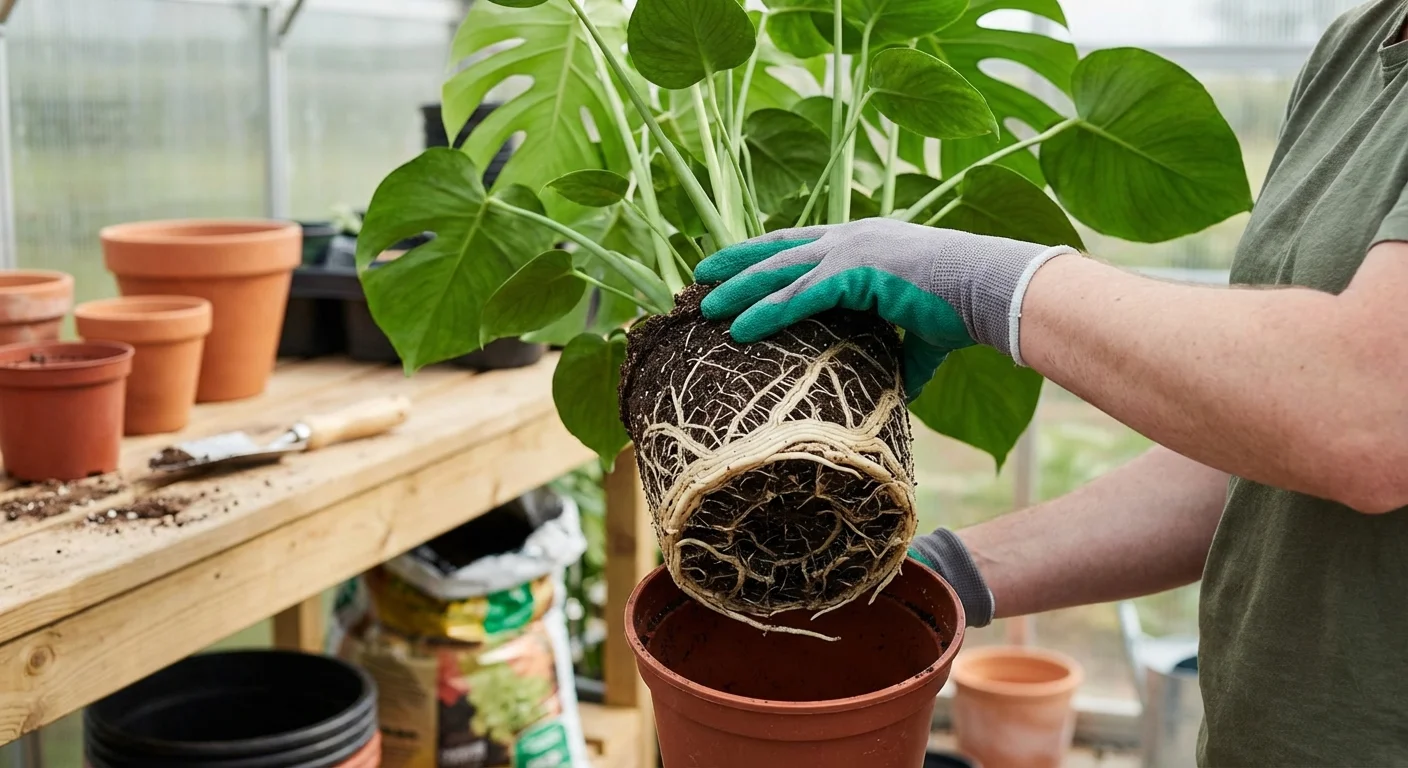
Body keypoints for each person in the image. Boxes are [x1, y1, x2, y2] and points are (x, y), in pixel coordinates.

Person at [693, 2, 1408, 764]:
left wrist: (985, 282)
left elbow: (1368, 413)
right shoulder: (1353, 51)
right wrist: (933, 576)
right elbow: (1263, 454)